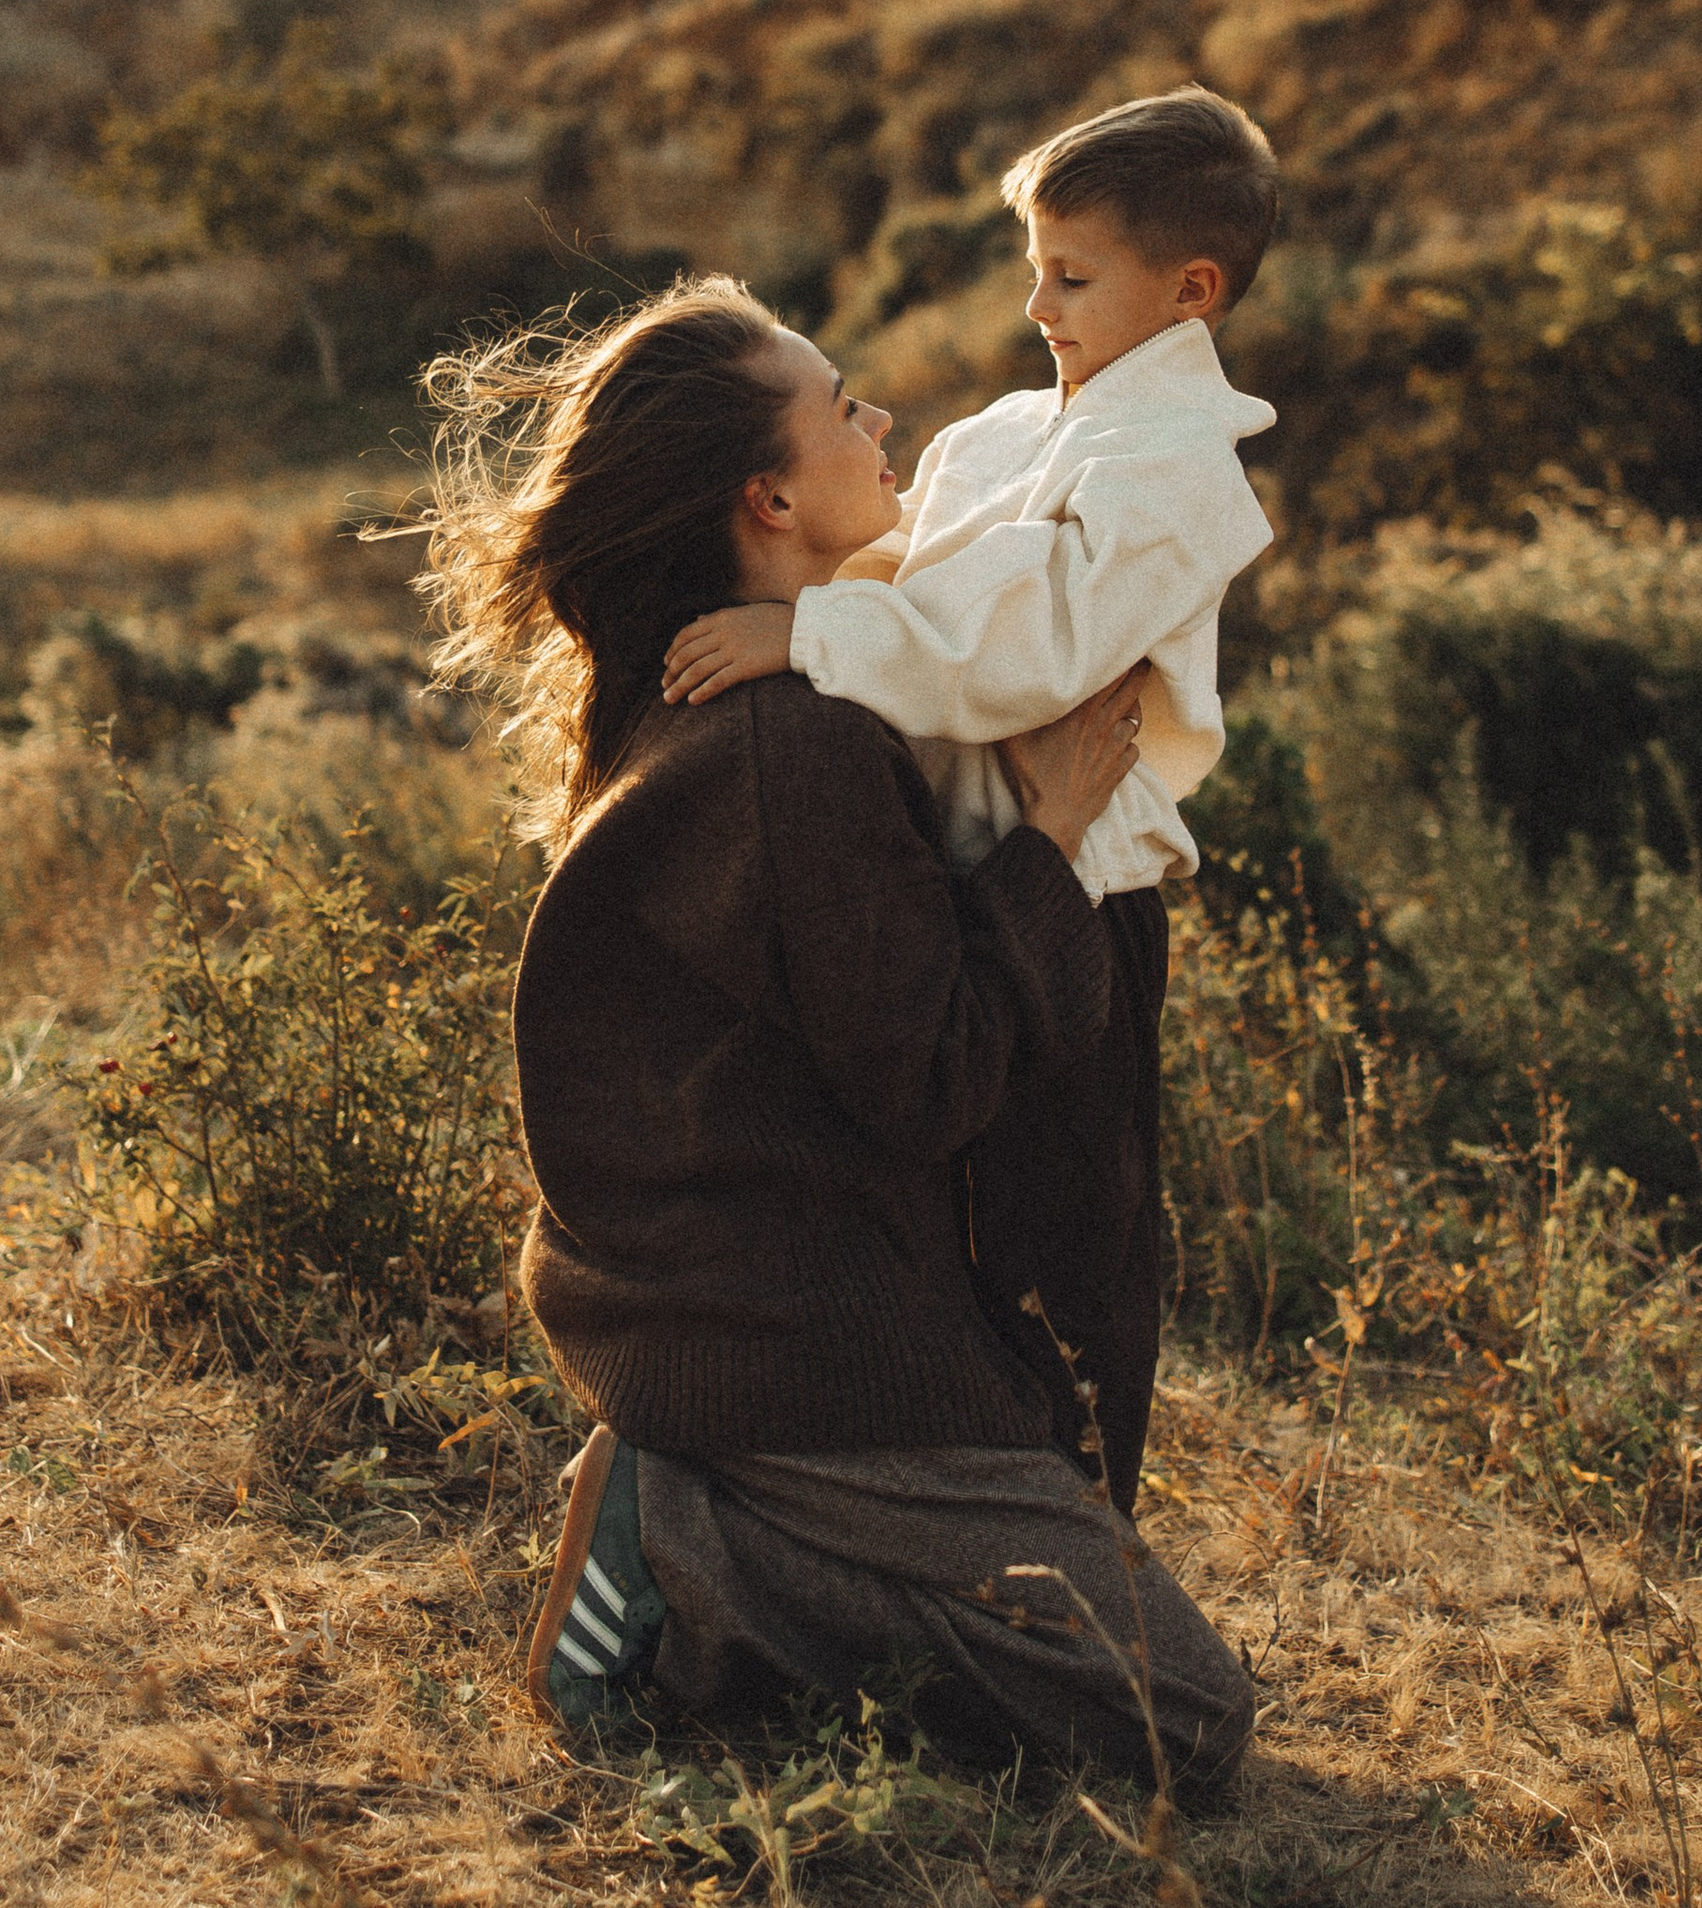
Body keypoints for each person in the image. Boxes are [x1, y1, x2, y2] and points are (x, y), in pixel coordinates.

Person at [426, 277, 1254, 1795]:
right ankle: (693, 1551)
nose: (885, 426)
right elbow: (935, 1073)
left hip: (741, 1311)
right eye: (842, 409)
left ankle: (719, 1510)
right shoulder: (789, 741)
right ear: (771, 498)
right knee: (1172, 1718)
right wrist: (1055, 840)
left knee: (1098, 1604)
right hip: (797, 1348)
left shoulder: (718, 691)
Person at [661, 87, 1280, 1512]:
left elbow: (1036, 649)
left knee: (1071, 1239)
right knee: (933, 1218)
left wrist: (806, 638)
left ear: (1191, 291)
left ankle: (1077, 1542)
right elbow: (904, 575)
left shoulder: (1181, 474)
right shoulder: (995, 440)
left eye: (1073, 275)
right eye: (1035, 265)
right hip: (946, 880)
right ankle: (928, 1512)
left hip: (1082, 906)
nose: (1037, 299)